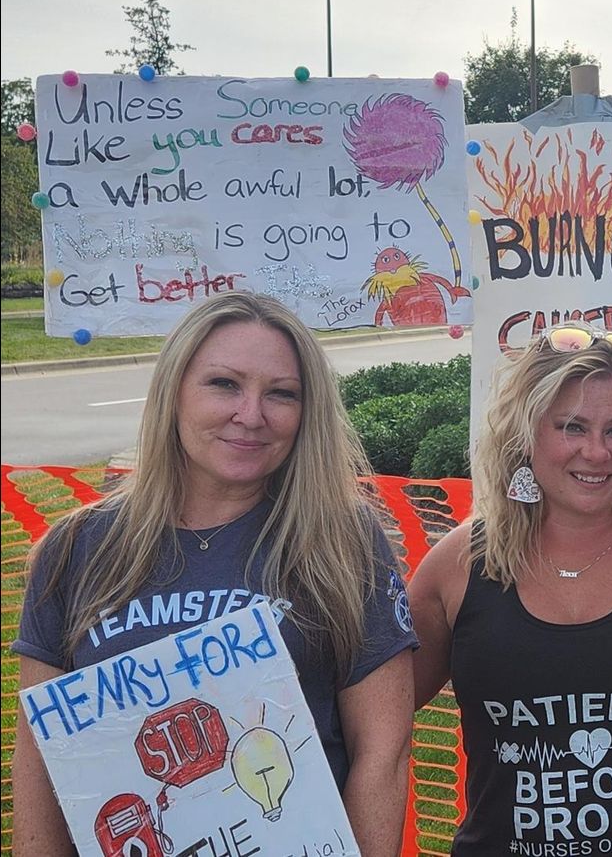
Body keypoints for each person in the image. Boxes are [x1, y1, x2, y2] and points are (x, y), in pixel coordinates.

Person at [12, 291, 418, 856]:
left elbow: (383, 752)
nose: (251, 415)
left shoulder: (343, 543)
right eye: (224, 384)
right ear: (174, 391)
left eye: (281, 393)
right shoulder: (77, 548)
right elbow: (38, 760)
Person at [409, 321, 612, 856]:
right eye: (571, 426)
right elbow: (376, 716)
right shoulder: (458, 566)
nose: (597, 452)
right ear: (526, 433)